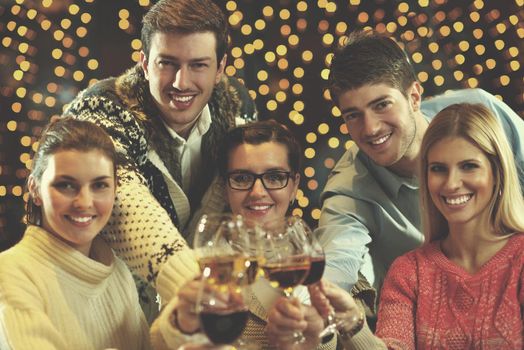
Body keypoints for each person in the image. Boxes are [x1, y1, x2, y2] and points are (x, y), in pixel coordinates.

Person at [269, 103, 524, 349]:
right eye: (438, 169)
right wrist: (352, 324)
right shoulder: (409, 271)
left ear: (497, 172)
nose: (451, 184)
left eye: (469, 166)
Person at [63, 0, 256, 312]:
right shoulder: (102, 107)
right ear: (144, 63)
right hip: (104, 310)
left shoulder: (238, 110)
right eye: (167, 63)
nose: (181, 82)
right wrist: (197, 292)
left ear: (220, 68)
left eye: (198, 65)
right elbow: (124, 204)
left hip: (199, 315)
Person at [316, 30, 524, 296]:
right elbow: (336, 263)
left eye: (381, 105)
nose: (370, 129)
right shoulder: (349, 188)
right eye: (353, 115)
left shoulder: (481, 114)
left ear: (414, 97)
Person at [150, 120, 372, 349]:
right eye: (242, 178)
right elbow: (162, 341)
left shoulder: (333, 264)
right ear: (225, 189)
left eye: (275, 177)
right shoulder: (198, 271)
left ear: (294, 186)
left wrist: (352, 325)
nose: (257, 192)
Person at [0, 118, 150, 349]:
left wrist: (181, 325)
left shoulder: (118, 272)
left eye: (99, 185)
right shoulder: (11, 273)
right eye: (66, 185)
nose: (84, 202)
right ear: (35, 189)